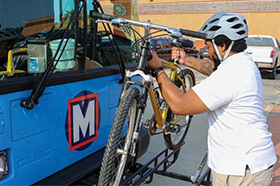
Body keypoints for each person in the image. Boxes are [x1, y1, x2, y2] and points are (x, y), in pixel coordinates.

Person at [148, 12, 277, 185]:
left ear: (222, 46)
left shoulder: (230, 74)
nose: (207, 53)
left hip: (241, 171)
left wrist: (158, 70)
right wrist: (185, 60)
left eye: (208, 47)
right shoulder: (242, 62)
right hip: (244, 164)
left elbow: (179, 105)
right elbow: (213, 69)